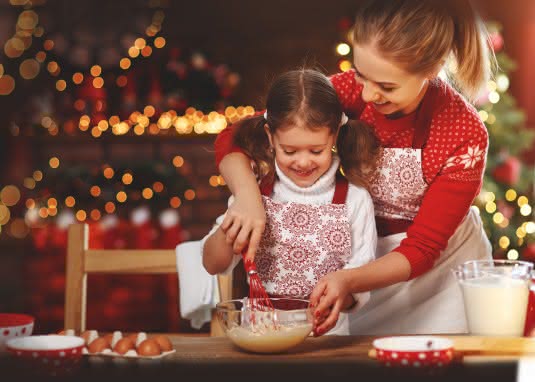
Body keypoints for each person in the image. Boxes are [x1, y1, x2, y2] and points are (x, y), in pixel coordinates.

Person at [213, 0, 495, 336]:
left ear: (431, 71)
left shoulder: (463, 133)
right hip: (360, 265)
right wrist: (247, 197)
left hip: (440, 280)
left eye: (387, 87)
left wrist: (349, 279)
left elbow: (422, 249)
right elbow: (234, 137)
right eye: (361, 74)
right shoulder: (348, 91)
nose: (367, 93)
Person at [201, 69, 379, 334]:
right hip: (262, 338)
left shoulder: (354, 199)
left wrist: (343, 290)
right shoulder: (254, 195)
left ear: (334, 136)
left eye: (316, 150)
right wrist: (230, 229)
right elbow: (213, 264)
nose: (303, 161)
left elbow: (361, 278)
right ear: (271, 137)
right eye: (290, 150)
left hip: (327, 342)